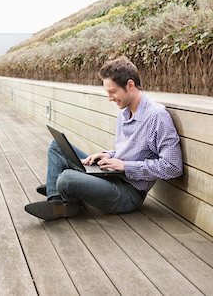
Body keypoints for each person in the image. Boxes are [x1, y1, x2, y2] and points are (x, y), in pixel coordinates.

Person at [24, 57, 183, 221]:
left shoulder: (157, 117)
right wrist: (109, 155)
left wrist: (125, 166)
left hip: (129, 193)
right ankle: (57, 199)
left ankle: (60, 190)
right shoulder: (124, 112)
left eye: (112, 92)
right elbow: (131, 151)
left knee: (66, 178)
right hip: (113, 175)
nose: (109, 97)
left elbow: (172, 166)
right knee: (57, 145)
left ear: (130, 85)